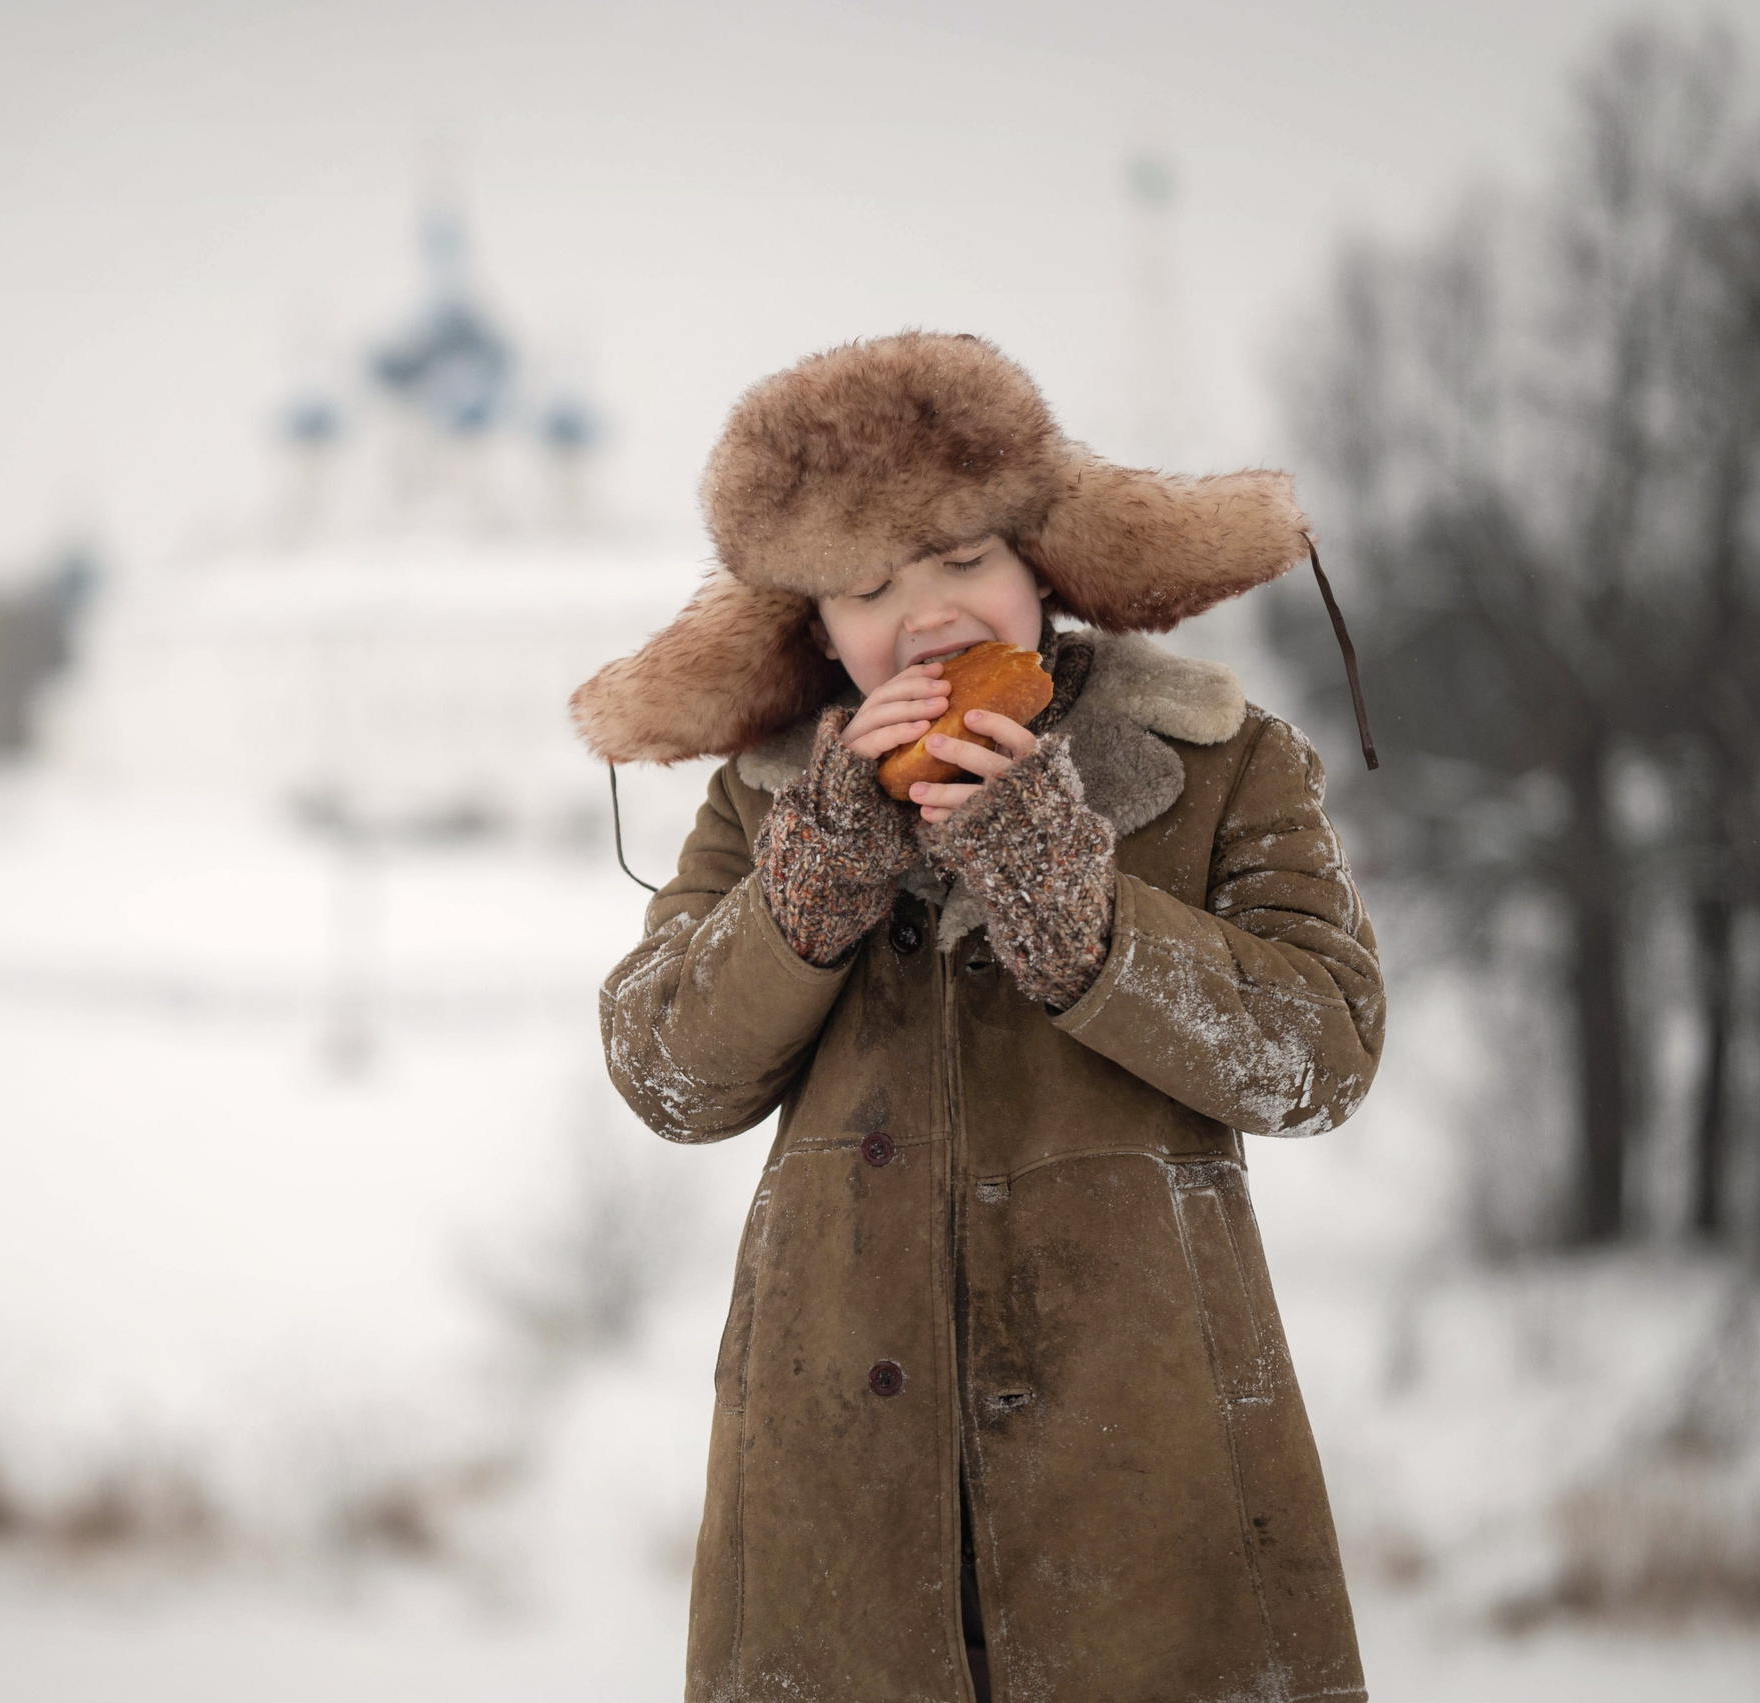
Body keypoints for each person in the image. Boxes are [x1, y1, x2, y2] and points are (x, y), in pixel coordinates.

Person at [573, 333, 1384, 1703]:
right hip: (837, 1501)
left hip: (1150, 1482)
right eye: (869, 587)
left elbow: (1320, 1058)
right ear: (817, 630)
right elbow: (667, 1076)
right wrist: (816, 878)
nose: (930, 611)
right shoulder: (770, 800)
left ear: (1038, 566)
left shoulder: (1219, 762)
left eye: (963, 559)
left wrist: (1079, 909)